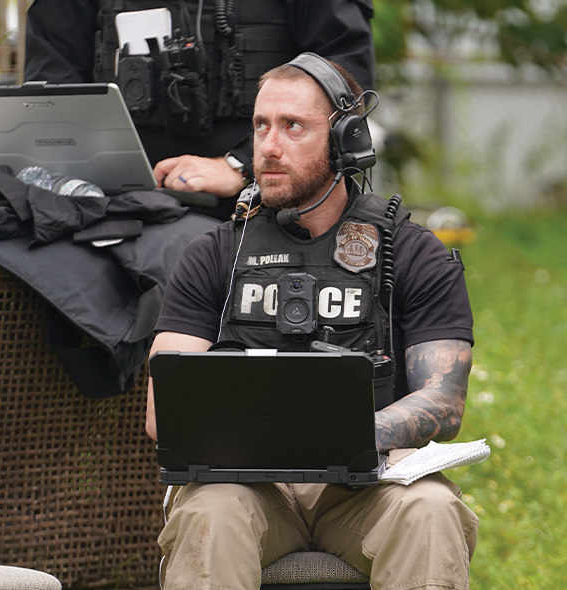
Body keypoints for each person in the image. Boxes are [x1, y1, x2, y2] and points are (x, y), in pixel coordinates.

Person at [145, 53, 479, 589]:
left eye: (293, 126)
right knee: (209, 515)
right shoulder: (212, 254)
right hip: (247, 488)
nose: (269, 146)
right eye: (260, 126)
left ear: (345, 140)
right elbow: (167, 412)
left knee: (432, 510)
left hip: (367, 487)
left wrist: (337, 437)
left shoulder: (414, 253)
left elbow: (444, 403)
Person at [24, 0, 375, 219]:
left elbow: (342, 81)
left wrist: (240, 166)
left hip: (264, 209)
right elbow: (53, 85)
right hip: (107, 206)